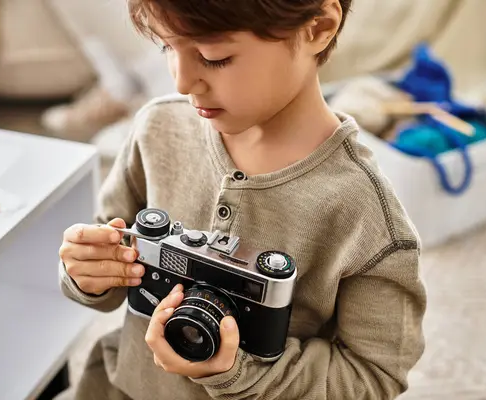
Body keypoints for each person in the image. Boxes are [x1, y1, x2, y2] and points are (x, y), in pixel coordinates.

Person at [56, 0, 427, 399]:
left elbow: (374, 376)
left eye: (214, 57)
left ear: (317, 28)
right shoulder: (157, 129)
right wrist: (89, 273)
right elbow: (112, 262)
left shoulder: (365, 214)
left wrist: (239, 372)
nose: (182, 82)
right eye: (167, 47)